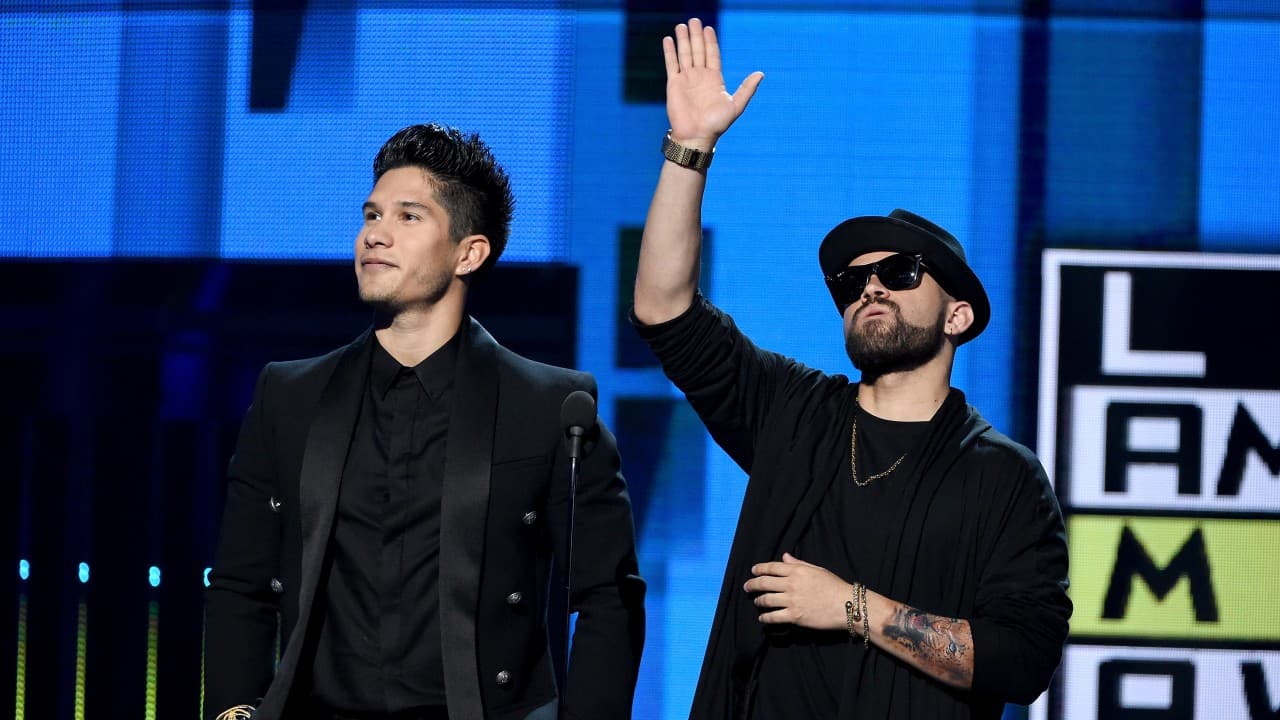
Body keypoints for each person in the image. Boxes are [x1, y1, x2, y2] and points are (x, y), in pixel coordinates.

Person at [632, 19, 1070, 719]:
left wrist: (851, 607)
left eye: (900, 273)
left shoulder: (1005, 478)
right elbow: (663, 309)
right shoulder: (793, 412)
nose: (870, 288)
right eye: (851, 282)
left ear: (958, 316)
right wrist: (690, 148)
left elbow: (1022, 659)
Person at [205, 124, 645, 720]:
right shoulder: (290, 396)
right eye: (371, 215)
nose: (375, 236)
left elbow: (608, 596)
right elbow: (241, 582)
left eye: (408, 217)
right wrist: (235, 711)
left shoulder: (551, 408)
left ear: (470, 252)